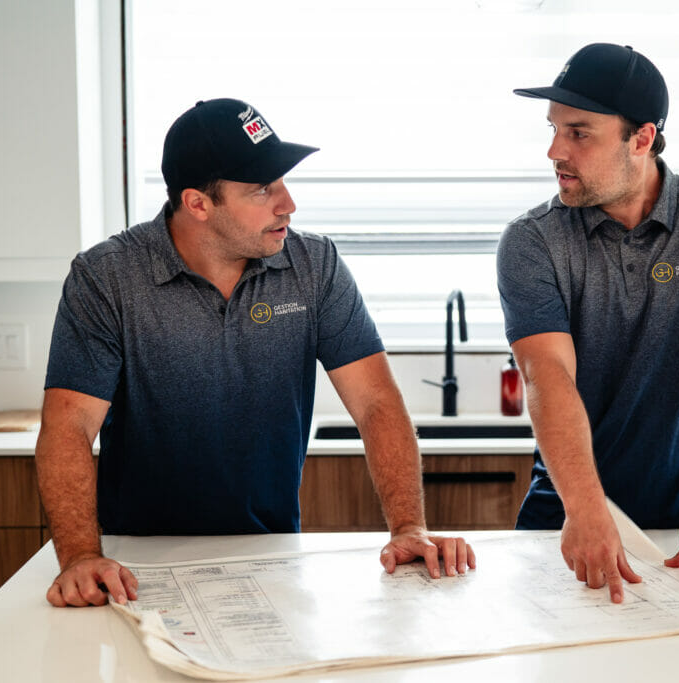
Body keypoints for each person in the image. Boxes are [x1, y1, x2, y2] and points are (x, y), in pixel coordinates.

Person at [36, 98, 475, 608]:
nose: (287, 203)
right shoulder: (107, 277)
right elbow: (69, 428)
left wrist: (409, 526)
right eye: (262, 189)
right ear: (198, 203)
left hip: (273, 554)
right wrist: (79, 556)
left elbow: (376, 403)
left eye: (282, 182)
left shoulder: (315, 266)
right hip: (134, 561)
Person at [497, 44, 679, 603]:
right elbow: (546, 376)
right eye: (553, 130)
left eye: (579, 132)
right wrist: (586, 508)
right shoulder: (533, 241)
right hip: (568, 519)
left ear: (642, 139)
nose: (555, 150)